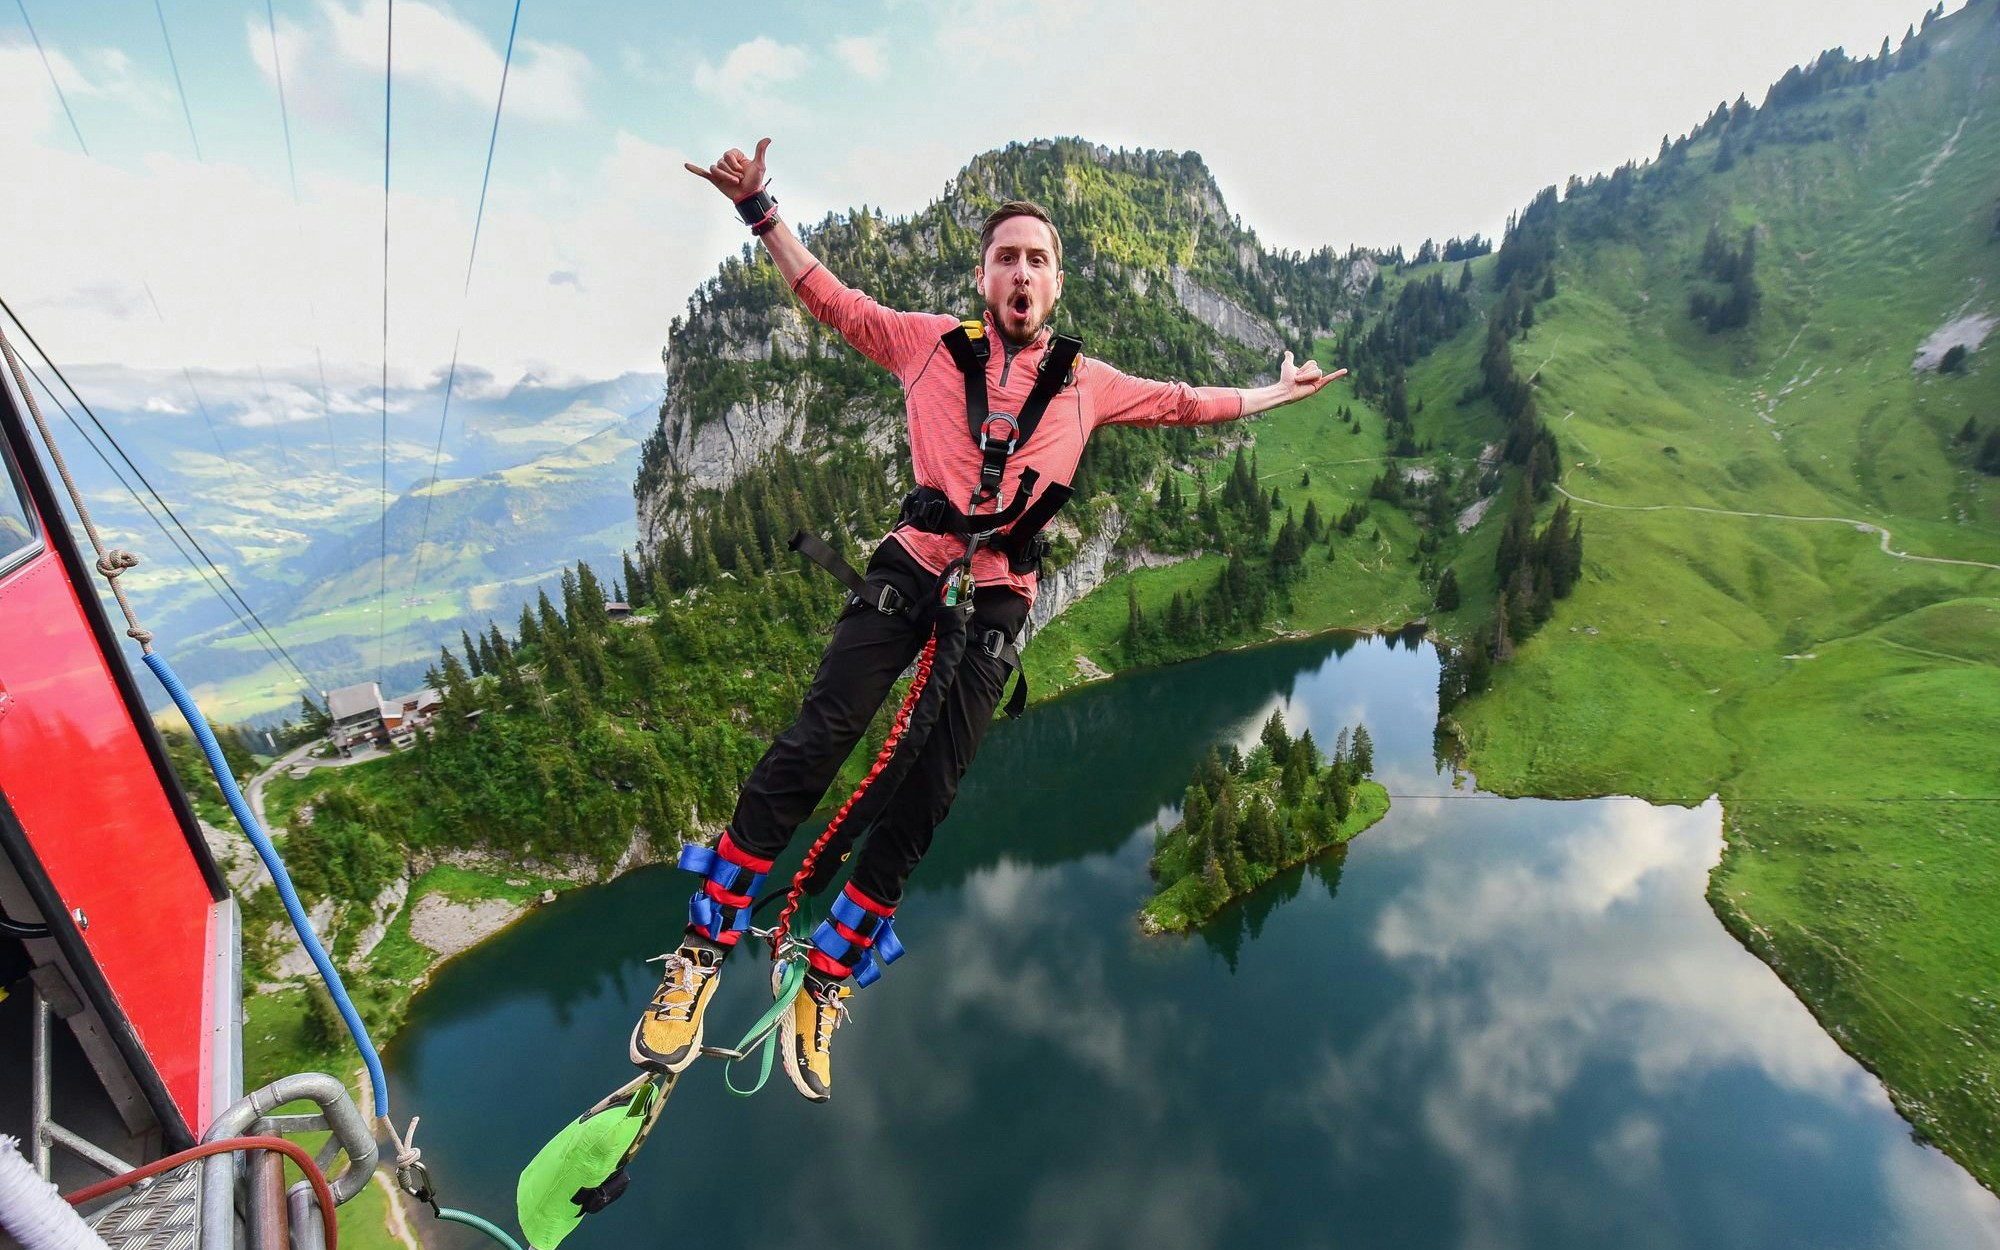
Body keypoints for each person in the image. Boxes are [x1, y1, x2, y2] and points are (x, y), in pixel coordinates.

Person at [633, 138, 1345, 1102]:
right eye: (1006, 256)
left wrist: (1279, 390)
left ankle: (827, 977)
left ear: (1056, 284)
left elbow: (1189, 405)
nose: (1020, 271)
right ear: (984, 276)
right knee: (817, 740)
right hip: (915, 564)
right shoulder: (926, 342)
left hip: (1001, 593)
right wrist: (760, 210)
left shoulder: (1089, 384)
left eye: (1037, 259)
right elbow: (829, 298)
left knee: (929, 791)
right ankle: (702, 950)